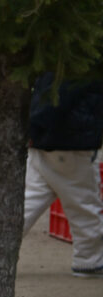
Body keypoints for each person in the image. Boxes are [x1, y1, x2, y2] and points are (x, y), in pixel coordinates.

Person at [20, 71, 103, 277]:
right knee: (84, 204)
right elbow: (58, 99)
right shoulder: (80, 65)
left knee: (30, 199)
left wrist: (34, 130)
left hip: (46, 143)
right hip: (71, 143)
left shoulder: (55, 62)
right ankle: (89, 260)